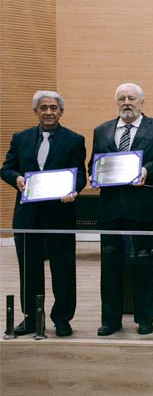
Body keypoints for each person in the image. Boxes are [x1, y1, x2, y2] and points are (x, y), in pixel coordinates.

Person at [89, 83, 153, 336]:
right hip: (111, 211)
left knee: (144, 266)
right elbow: (93, 164)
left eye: (132, 98)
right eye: (121, 99)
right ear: (116, 103)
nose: (126, 102)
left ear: (142, 103)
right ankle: (110, 320)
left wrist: (147, 170)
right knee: (110, 267)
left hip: (143, 210)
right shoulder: (101, 130)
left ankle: (145, 318)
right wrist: (95, 176)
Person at [1, 90, 86, 337]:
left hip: (60, 215)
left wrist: (74, 190)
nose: (48, 112)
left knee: (63, 268)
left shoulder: (74, 140)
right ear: (36, 111)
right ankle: (31, 317)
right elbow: (6, 169)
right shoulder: (21, 138)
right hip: (27, 216)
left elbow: (79, 174)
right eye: (43, 108)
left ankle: (62, 319)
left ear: (61, 111)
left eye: (53, 108)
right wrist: (16, 178)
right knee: (29, 268)